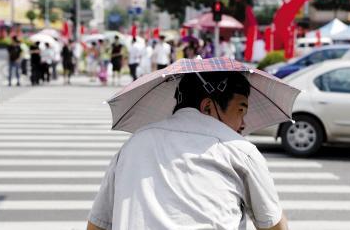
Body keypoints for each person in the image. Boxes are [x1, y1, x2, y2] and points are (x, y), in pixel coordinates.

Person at [87, 72, 288, 230]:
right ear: (208, 107)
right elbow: (274, 225)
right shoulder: (240, 151)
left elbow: (97, 224)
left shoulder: (133, 145)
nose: (243, 123)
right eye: (241, 110)